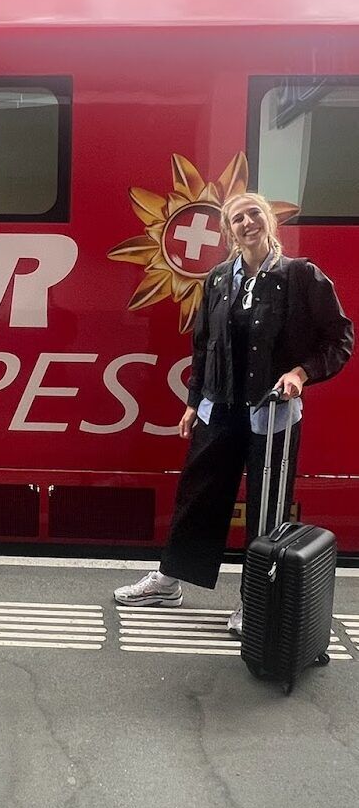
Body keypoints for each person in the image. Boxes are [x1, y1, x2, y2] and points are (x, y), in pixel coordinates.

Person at [114, 191, 353, 635]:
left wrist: (301, 372)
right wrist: (192, 401)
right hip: (219, 406)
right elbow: (203, 346)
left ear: (269, 221)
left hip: (273, 413)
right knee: (197, 494)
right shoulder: (220, 278)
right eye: (237, 218)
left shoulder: (300, 276)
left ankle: (255, 603)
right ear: (228, 231)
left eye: (254, 214)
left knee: (266, 511)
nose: (247, 223)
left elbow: (340, 338)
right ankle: (169, 582)